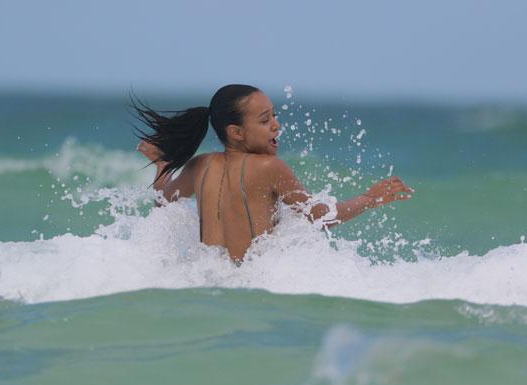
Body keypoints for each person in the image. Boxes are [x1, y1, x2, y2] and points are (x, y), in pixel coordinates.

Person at [135, 84, 413, 262]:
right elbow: (318, 216)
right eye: (265, 120)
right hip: (250, 284)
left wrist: (162, 164)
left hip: (208, 282)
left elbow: (162, 198)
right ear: (237, 133)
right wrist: (368, 198)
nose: (276, 126)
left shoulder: (201, 165)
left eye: (275, 116)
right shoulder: (270, 167)